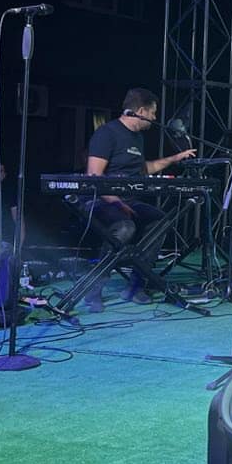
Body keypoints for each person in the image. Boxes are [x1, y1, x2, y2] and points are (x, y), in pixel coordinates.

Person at [84, 87, 196, 311]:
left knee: (160, 220)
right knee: (125, 226)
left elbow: (143, 169)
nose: (155, 118)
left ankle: (136, 285)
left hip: (129, 201)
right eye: (153, 113)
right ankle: (93, 289)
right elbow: (94, 176)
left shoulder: (137, 138)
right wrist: (117, 202)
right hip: (102, 201)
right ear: (142, 111)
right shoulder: (107, 133)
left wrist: (174, 159)